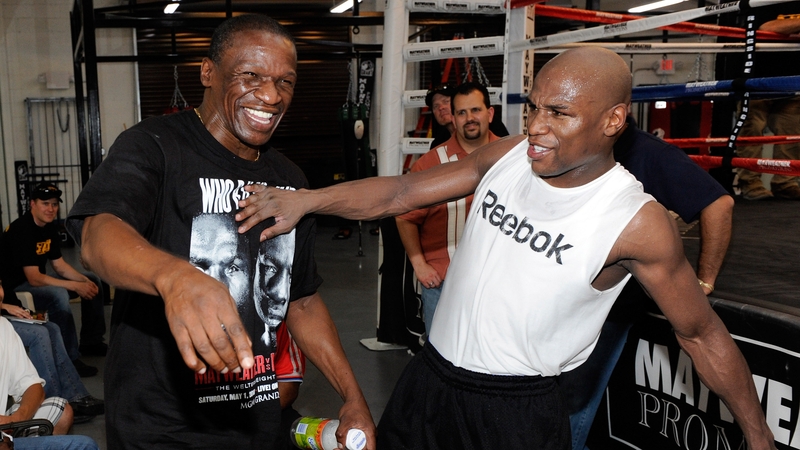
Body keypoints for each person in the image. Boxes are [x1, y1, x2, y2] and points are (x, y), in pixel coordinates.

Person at [236, 47, 776, 450]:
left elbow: (701, 334)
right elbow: (402, 191)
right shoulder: (514, 154)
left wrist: (759, 439)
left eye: (558, 114)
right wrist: (308, 200)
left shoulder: (633, 222)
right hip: (429, 378)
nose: (535, 128)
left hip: (512, 413)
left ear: (613, 120)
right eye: (533, 106)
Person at [65, 14, 374, 449]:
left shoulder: (289, 178)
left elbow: (301, 300)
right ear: (208, 72)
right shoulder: (155, 145)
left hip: (258, 424)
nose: (270, 95)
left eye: (285, 82)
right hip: (162, 428)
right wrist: (176, 278)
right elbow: (98, 236)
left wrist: (353, 396)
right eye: (251, 76)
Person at [558, 116, 735, 450]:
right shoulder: (581, 150)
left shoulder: (649, 154)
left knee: (571, 402)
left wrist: (705, 281)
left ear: (613, 118)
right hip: (570, 297)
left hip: (609, 307)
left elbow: (719, 204)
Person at [396, 82, 501, 334]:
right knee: (440, 361)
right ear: (453, 118)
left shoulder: (513, 157)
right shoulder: (432, 164)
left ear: (490, 113)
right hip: (444, 283)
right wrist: (419, 264)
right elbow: (405, 217)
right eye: (462, 113)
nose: (469, 119)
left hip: (499, 283)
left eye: (475, 110)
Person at [0, 183, 106, 377]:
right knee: (58, 295)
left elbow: (59, 265)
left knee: (93, 280)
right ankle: (68, 358)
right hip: (15, 288)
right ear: (32, 204)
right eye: (45, 203)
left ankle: (92, 341)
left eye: (55, 204)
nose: (51, 209)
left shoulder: (49, 228)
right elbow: (34, 278)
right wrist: (73, 285)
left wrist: (83, 280)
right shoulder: (22, 230)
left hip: (34, 280)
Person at [0, 290, 105, 422]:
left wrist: (16, 419)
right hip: (7, 313)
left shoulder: (4, 327)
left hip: (10, 315)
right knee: (39, 334)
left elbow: (31, 384)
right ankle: (54, 394)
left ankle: (73, 395)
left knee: (52, 328)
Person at [733, 5, 800, 200]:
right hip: (757, 80)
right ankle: (750, 182)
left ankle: (785, 182)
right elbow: (766, 27)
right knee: (752, 130)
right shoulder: (765, 2)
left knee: (791, 135)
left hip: (791, 82)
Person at [427, 83, 509, 149]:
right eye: (436, 106)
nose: (441, 108)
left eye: (446, 101)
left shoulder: (489, 125)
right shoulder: (438, 145)